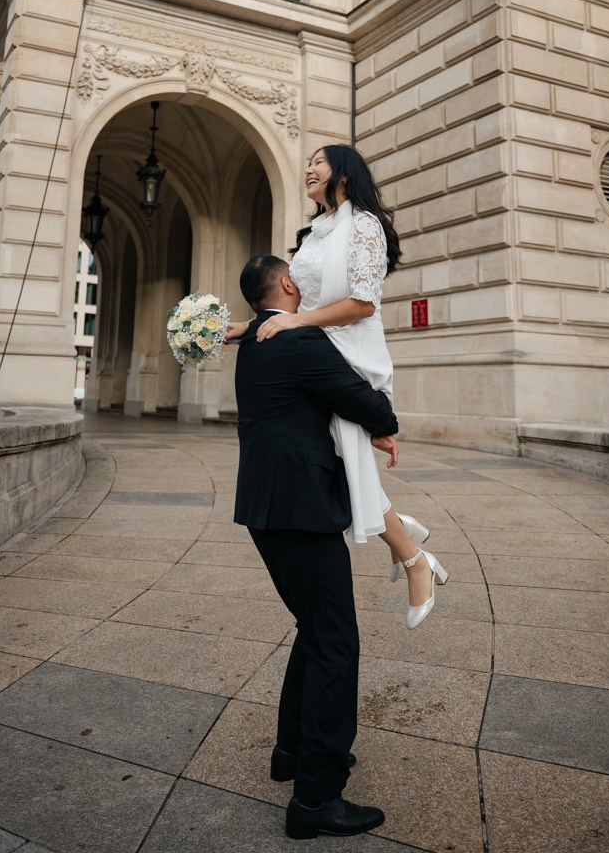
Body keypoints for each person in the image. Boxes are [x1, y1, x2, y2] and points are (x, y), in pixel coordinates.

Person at [228, 145, 447, 630]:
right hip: (314, 347)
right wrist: (251, 326)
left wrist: (296, 324)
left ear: (344, 173)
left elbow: (362, 303)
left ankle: (415, 559)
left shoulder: (364, 225)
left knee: (343, 459)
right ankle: (405, 541)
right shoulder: (315, 233)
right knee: (333, 463)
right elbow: (292, 295)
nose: (309, 168)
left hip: (349, 347)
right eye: (307, 162)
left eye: (319, 162)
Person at [234, 254, 397, 840]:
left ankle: (293, 753)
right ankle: (316, 798)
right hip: (300, 510)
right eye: (296, 276)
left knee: (313, 627)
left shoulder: (255, 338)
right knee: (335, 642)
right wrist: (380, 419)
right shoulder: (297, 340)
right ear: (284, 284)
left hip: (266, 507)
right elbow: (369, 403)